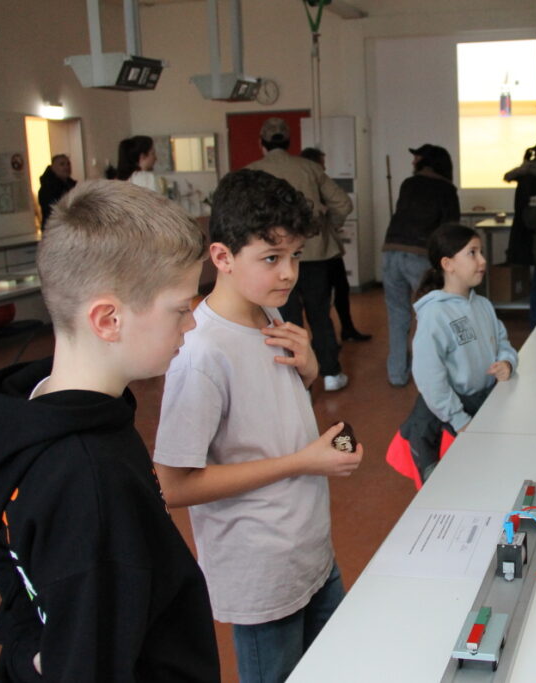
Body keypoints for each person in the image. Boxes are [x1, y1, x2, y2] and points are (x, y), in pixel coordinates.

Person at [0, 180, 219, 681]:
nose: (191, 325)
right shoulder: (90, 480)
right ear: (108, 319)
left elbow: (12, 558)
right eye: (180, 309)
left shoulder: (43, 409)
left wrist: (27, 653)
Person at [153, 168, 363, 683]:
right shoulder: (201, 353)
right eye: (271, 258)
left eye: (295, 255)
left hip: (310, 549)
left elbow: (266, 418)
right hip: (262, 571)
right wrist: (303, 462)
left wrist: (310, 369)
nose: (289, 273)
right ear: (222, 257)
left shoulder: (269, 316)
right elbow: (173, 486)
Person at [396, 224, 517, 483]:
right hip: (451, 419)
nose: (482, 260)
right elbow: (430, 377)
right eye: (472, 253)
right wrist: (458, 419)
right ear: (448, 264)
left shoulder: (483, 305)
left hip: (483, 406)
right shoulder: (435, 313)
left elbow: (503, 342)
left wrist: (507, 361)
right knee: (453, 484)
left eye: (481, 252)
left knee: (484, 476)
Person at [247, 119, 353, 391]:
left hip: (272, 258)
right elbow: (343, 203)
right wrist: (329, 227)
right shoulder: (310, 168)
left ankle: (295, 379)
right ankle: (331, 373)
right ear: (289, 142)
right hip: (314, 253)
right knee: (320, 313)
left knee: (285, 318)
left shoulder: (252, 172)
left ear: (261, 143)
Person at [381, 144, 460, 387]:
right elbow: (450, 228)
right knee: (432, 315)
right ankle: (434, 374)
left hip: (390, 252)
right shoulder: (446, 189)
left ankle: (397, 374)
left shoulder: (408, 184)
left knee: (398, 315)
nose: (413, 161)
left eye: (417, 158)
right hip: (420, 256)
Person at [299, 146, 370, 342]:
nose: (325, 168)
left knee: (338, 289)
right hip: (323, 249)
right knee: (324, 296)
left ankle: (344, 330)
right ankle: (329, 338)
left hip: (323, 249)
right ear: (313, 164)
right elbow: (342, 204)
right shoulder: (315, 182)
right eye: (322, 164)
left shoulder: (307, 181)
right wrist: (332, 224)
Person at [504, 140, 536, 327]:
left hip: (530, 235)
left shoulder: (532, 175)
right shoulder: (531, 179)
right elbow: (531, 211)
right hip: (531, 236)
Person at [37, 154, 76, 229]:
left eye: (68, 164)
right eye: (62, 164)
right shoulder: (47, 188)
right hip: (54, 228)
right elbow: (51, 211)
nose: (66, 167)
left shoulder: (72, 185)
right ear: (53, 168)